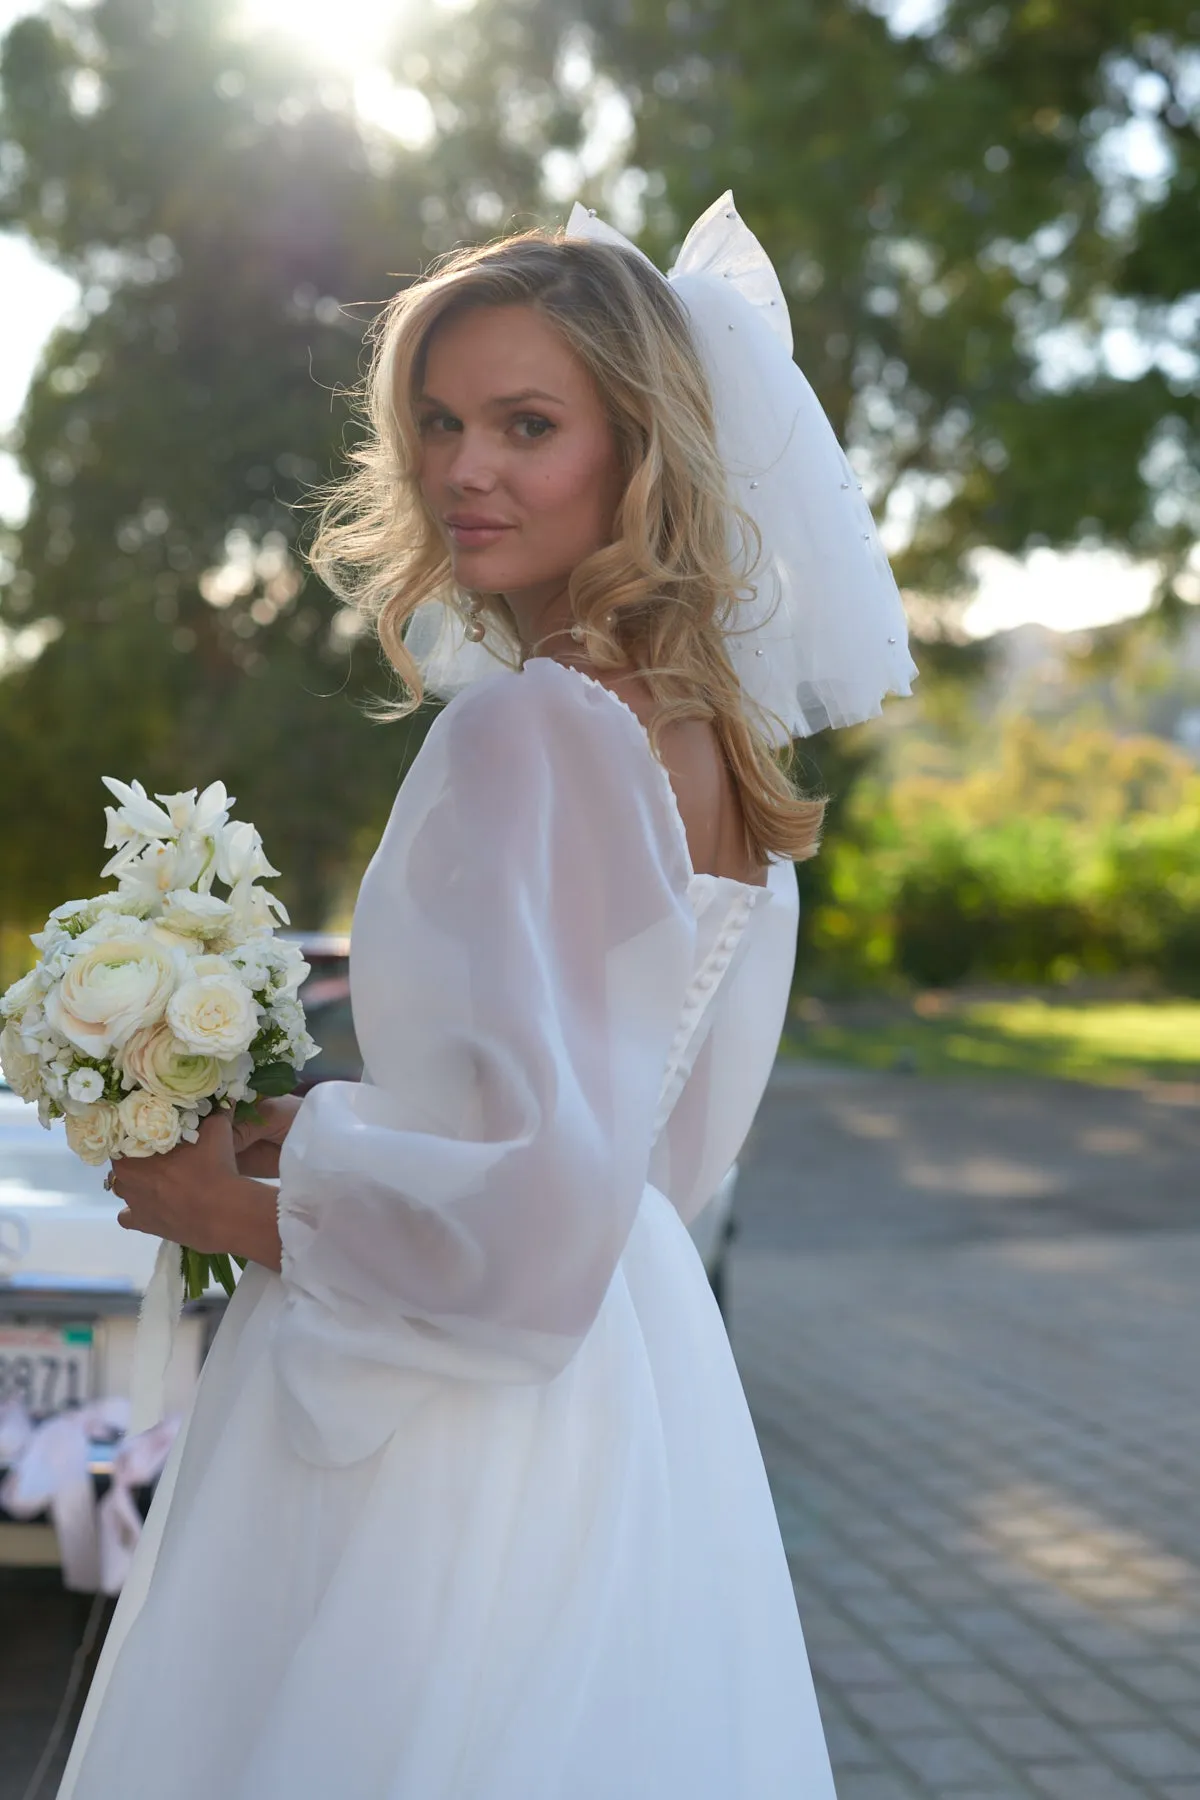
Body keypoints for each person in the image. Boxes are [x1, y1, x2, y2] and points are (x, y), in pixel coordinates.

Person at [58, 196, 913, 1799]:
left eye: (531, 424)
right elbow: (648, 1162)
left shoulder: (532, 729)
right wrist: (330, 1119)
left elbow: (534, 1227)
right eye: (440, 421)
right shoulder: (717, 744)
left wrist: (226, 1202)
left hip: (442, 1425)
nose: (465, 470)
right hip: (625, 1408)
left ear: (638, 448)